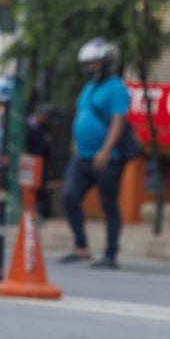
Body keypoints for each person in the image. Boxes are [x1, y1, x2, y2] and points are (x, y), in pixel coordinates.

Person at [62, 38, 131, 269]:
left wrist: (106, 150)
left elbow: (117, 122)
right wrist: (75, 142)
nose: (90, 67)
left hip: (107, 158)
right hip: (82, 156)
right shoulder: (89, 88)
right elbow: (80, 116)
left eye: (95, 63)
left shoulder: (117, 88)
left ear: (107, 63)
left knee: (108, 204)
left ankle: (110, 254)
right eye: (88, 63)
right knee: (69, 195)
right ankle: (81, 246)